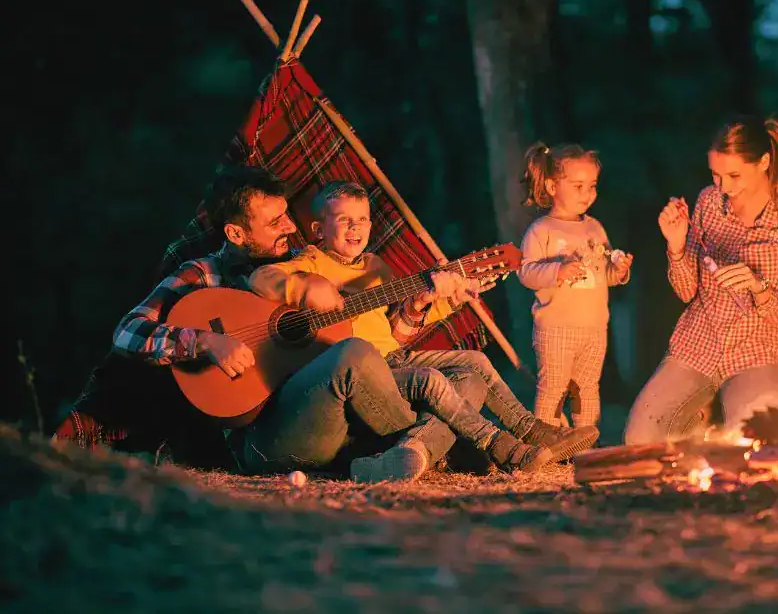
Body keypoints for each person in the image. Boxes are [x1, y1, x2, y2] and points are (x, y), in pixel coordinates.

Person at [109, 165, 559, 479]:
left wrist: (421, 306)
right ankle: (451, 448)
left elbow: (376, 337)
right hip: (271, 435)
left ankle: (409, 454)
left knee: (468, 378)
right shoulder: (204, 277)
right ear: (236, 234)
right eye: (275, 220)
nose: (291, 225)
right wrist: (206, 341)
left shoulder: (311, 262)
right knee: (355, 353)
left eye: (287, 213)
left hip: (343, 415)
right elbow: (127, 333)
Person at [247, 180, 600, 482]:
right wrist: (302, 288)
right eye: (344, 220)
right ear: (319, 229)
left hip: (393, 357)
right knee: (432, 379)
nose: (355, 228)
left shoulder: (375, 267)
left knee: (474, 363)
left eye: (363, 220)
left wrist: (438, 300)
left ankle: (531, 430)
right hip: (362, 373)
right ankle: (497, 447)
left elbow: (396, 333)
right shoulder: (309, 262)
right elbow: (260, 278)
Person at [624, 116, 778, 444]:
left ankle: (715, 434)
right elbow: (686, 290)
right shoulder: (708, 203)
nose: (724, 187)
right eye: (715, 175)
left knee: (755, 446)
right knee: (640, 441)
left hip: (757, 350)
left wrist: (757, 286)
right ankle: (695, 432)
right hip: (699, 343)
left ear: (764, 162)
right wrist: (676, 245)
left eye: (734, 175)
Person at [516, 142, 633, 429]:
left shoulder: (594, 228)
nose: (588, 193)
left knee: (586, 388)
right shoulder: (541, 230)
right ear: (553, 187)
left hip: (593, 328)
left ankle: (585, 441)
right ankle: (549, 440)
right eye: (578, 186)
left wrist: (617, 271)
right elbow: (526, 272)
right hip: (555, 327)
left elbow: (602, 274)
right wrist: (558, 270)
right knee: (554, 387)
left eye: (592, 186)